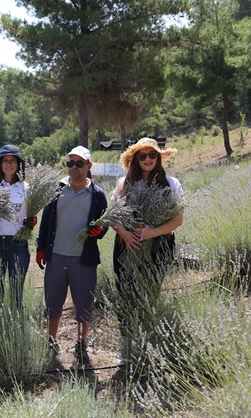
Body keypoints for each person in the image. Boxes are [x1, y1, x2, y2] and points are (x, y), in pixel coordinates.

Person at [111, 137, 183, 364]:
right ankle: (126, 349)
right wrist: (125, 234)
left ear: (159, 157)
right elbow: (112, 215)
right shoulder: (124, 183)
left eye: (152, 155)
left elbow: (178, 219)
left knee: (150, 293)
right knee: (125, 295)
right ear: (135, 159)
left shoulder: (171, 183)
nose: (148, 159)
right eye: (142, 156)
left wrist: (153, 232)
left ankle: (148, 346)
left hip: (158, 246)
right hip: (127, 246)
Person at [36, 146, 108, 369]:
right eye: (70, 163)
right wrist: (41, 249)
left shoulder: (97, 194)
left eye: (79, 163)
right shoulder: (56, 189)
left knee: (83, 302)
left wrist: (100, 232)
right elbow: (46, 221)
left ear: (89, 166)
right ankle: (51, 340)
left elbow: (103, 223)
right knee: (53, 300)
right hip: (57, 256)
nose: (74, 168)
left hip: (83, 258)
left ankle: (81, 343)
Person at [0, 144, 35, 310]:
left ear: (18, 164)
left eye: (13, 160)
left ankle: (16, 331)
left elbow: (31, 216)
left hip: (18, 244)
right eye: (5, 160)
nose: (9, 164)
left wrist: (32, 223)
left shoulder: (27, 189)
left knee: (16, 293)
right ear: (0, 165)